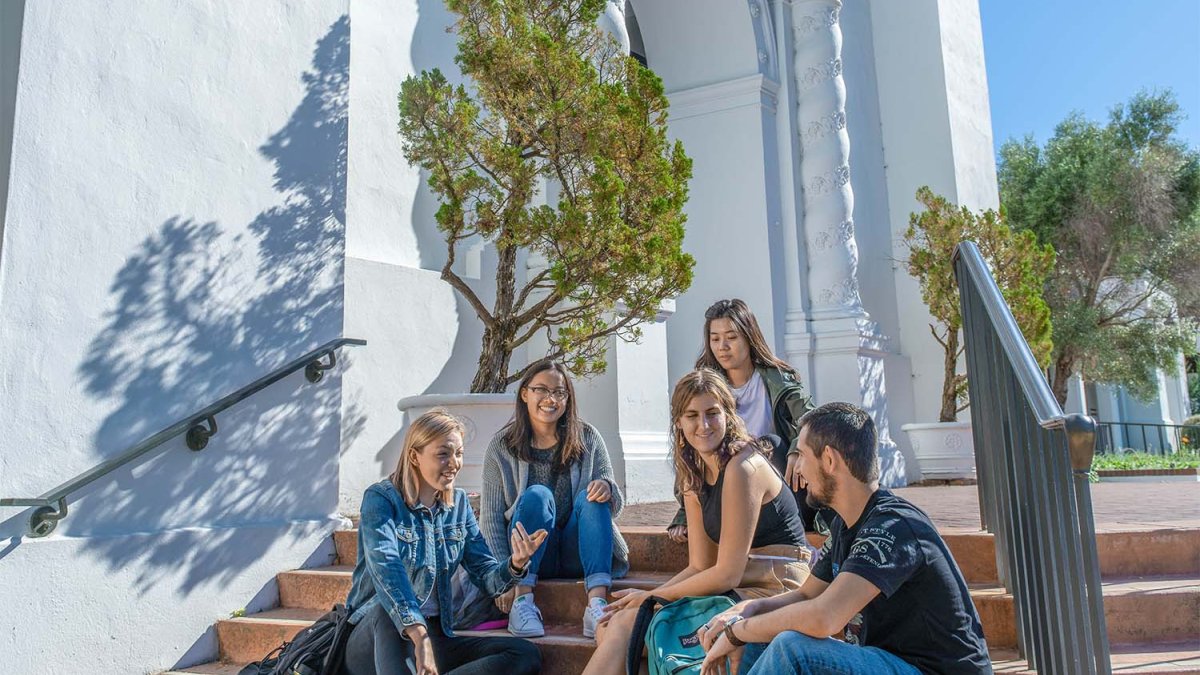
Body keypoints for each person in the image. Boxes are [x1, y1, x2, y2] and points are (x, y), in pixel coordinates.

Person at [697, 402, 992, 675]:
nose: (796, 468)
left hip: (933, 671)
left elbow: (824, 617)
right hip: (889, 662)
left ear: (828, 459)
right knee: (761, 635)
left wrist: (740, 630)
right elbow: (806, 595)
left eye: (800, 455)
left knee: (793, 649)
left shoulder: (892, 526)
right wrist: (743, 612)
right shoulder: (846, 525)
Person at [581, 369, 810, 675]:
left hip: (775, 584)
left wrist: (650, 596)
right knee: (613, 625)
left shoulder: (743, 466)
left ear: (728, 415)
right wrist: (646, 600)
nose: (703, 425)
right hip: (739, 584)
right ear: (678, 421)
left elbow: (727, 573)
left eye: (712, 413)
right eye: (692, 415)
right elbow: (701, 565)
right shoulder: (693, 471)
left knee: (626, 626)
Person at [343, 410, 547, 675]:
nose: (454, 463)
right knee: (386, 612)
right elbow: (388, 571)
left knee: (522, 654)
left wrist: (516, 565)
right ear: (415, 456)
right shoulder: (382, 500)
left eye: (458, 453)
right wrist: (419, 637)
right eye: (443, 454)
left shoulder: (459, 505)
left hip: (434, 635)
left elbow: (486, 576)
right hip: (375, 637)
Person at [480, 359, 628, 640]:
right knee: (537, 495)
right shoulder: (501, 446)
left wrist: (607, 489)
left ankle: (596, 604)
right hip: (531, 556)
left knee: (592, 495)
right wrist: (504, 577)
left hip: (579, 551)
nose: (551, 399)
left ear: (568, 398)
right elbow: (490, 519)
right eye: (541, 390)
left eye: (559, 392)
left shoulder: (587, 437)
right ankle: (523, 601)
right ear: (525, 393)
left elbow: (615, 504)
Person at [667, 298, 819, 544]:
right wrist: (686, 513)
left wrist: (795, 450)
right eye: (715, 339)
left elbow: (812, 419)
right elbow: (689, 443)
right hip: (726, 481)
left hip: (777, 480)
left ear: (749, 336)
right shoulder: (707, 387)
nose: (722, 346)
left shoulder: (778, 379)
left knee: (769, 443)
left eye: (731, 337)